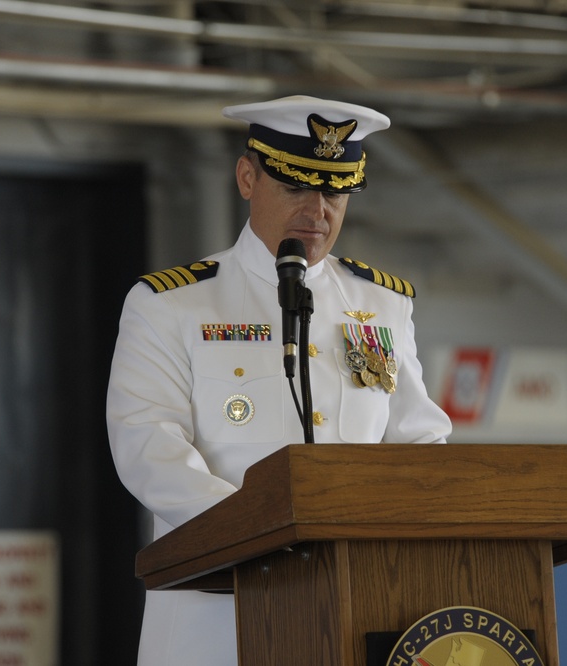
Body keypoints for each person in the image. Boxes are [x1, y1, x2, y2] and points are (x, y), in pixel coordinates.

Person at [105, 95, 452, 666]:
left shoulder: (382, 305)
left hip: (357, 611)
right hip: (218, 621)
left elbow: (420, 447)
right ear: (247, 177)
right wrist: (269, 538)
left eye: (336, 191)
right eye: (297, 186)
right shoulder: (171, 304)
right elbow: (148, 449)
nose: (318, 211)